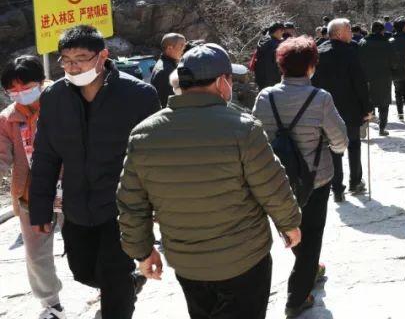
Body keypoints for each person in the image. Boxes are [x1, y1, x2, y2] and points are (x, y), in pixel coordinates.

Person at [116, 44, 302, 319]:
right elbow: (272, 187)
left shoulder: (144, 134)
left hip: (188, 263)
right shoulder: (243, 128)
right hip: (244, 259)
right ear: (221, 82)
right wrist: (289, 224)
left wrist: (142, 252)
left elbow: (131, 203)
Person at [29, 25, 160, 319]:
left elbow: (155, 157)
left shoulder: (139, 95)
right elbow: (45, 156)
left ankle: (121, 290)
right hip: (76, 206)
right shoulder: (54, 97)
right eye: (66, 60)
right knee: (84, 271)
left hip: (123, 207)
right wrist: (40, 209)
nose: (72, 67)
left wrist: (159, 206)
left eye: (81, 59)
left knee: (114, 277)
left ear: (103, 56)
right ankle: (129, 283)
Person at [253, 37, 348, 317]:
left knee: (292, 228)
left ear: (281, 66)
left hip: (277, 180)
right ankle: (297, 296)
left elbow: (256, 138)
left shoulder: (265, 97)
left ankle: (310, 269)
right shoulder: (320, 98)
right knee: (312, 234)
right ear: (311, 66)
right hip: (316, 178)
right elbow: (340, 141)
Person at [1, 56, 66, 319]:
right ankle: (51, 305)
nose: (19, 93)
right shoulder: (7, 119)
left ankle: (109, 286)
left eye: (25, 87)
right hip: (30, 195)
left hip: (71, 190)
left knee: (86, 245)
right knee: (36, 255)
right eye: (12, 90)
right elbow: (2, 157)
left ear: (40, 82)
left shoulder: (63, 103)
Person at [312, 18, 372, 200]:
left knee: (333, 148)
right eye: (348, 29)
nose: (351, 32)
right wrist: (367, 108)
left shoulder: (318, 53)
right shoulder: (350, 52)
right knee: (354, 144)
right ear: (339, 33)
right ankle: (355, 181)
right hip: (351, 108)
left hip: (326, 109)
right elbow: (360, 83)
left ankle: (337, 188)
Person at [358, 21, 395, 136]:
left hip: (367, 77)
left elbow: (358, 60)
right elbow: (393, 61)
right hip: (384, 77)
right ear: (383, 31)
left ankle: (364, 124)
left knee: (367, 102)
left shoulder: (363, 42)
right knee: (384, 104)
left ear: (371, 29)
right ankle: (382, 128)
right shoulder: (388, 44)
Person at [149, 32, 186, 108]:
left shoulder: (166, 65)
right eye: (181, 45)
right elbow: (171, 102)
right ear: (169, 48)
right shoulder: (166, 71)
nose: (184, 49)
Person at [251, 22, 285, 90]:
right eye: (282, 30)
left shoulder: (263, 40)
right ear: (277, 31)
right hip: (273, 79)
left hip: (260, 77)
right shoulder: (275, 45)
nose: (283, 32)